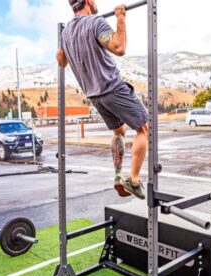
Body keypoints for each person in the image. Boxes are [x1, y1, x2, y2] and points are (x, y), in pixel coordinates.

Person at [56, 0, 148, 200]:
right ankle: (133, 180)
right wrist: (121, 18)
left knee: (119, 130)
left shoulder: (66, 33)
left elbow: (61, 61)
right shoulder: (95, 22)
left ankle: (118, 175)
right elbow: (119, 47)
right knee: (144, 128)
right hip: (112, 87)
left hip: (95, 96)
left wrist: (63, 52)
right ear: (88, 1)